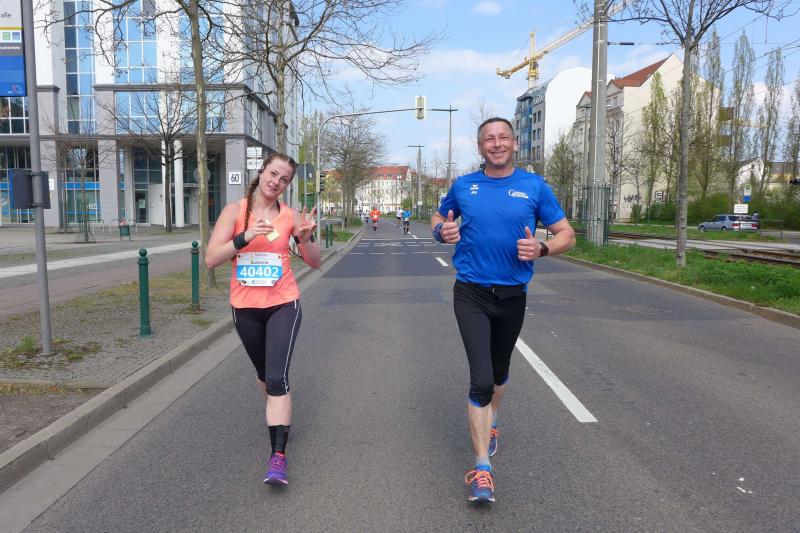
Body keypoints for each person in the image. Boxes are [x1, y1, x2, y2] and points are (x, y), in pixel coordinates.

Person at [431, 117, 576, 504]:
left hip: (513, 294)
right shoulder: (464, 186)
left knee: (498, 371)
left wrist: (543, 248)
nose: (496, 144)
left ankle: (492, 420)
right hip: (471, 292)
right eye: (488, 139)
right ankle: (482, 469)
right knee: (481, 380)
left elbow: (567, 234)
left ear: (514, 144)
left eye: (503, 138)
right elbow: (439, 218)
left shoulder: (534, 186)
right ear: (480, 147)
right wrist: (441, 231)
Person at [206, 152, 321, 486]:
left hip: (283, 303)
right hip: (245, 308)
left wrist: (305, 239)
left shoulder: (291, 216)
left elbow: (315, 262)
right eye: (273, 174)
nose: (276, 182)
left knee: (276, 378)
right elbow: (211, 259)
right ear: (262, 172)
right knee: (264, 375)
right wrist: (245, 236)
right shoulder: (234, 212)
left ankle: (278, 456)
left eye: (284, 179)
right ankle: (278, 414)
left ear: (287, 185)